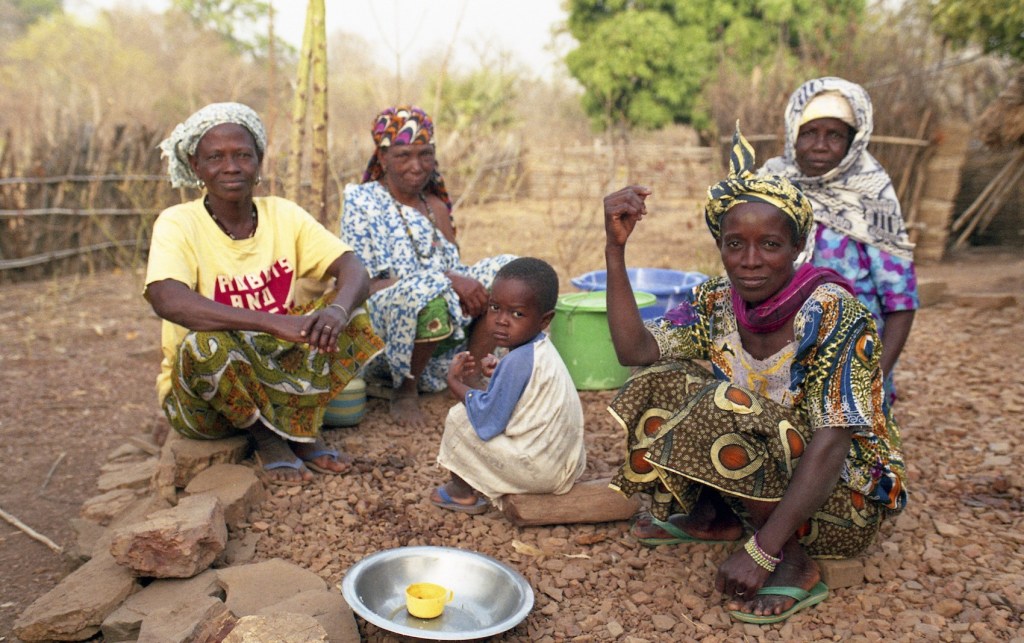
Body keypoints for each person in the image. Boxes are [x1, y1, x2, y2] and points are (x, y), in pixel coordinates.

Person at [602, 125, 908, 624]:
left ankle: (794, 560)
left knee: (726, 404)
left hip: (839, 502)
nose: (749, 261)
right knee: (661, 379)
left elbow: (833, 439)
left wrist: (763, 550)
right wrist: (616, 251)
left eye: (769, 244)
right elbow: (635, 349)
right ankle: (717, 517)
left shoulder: (833, 313)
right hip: (763, 477)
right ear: (719, 245)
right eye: (734, 244)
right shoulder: (717, 302)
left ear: (797, 248)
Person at [146, 102, 384, 486]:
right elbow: (166, 298)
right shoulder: (178, 223)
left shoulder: (283, 215)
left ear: (259, 160)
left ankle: (298, 426)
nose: (231, 166)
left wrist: (337, 311)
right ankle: (270, 439)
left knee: (352, 310)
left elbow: (352, 266)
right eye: (215, 157)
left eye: (243, 154)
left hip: (276, 380)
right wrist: (272, 323)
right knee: (206, 345)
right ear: (196, 166)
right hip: (204, 404)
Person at [341, 106, 516, 427]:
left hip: (447, 325)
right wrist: (445, 280)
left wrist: (457, 282)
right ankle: (405, 390)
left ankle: (471, 373)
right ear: (381, 158)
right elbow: (363, 285)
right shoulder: (362, 202)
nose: (416, 166)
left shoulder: (436, 206)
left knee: (512, 272)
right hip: (387, 325)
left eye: (426, 154)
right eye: (403, 155)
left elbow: (460, 271)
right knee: (428, 294)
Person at [761, 77, 919, 403]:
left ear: (853, 141)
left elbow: (900, 301)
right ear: (793, 134)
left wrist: (876, 377)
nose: (820, 145)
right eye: (809, 133)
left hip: (855, 360)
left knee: (850, 448)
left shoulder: (872, 196)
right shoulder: (770, 187)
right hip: (777, 354)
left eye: (835, 135)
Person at [431, 257, 587, 514]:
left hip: (541, 471)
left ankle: (461, 494)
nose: (502, 320)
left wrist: (453, 382)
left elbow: (488, 420)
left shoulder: (517, 361)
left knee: (460, 418)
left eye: (517, 313)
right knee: (475, 411)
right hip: (564, 463)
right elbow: (522, 395)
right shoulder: (538, 349)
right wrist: (499, 373)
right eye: (495, 308)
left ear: (545, 320)